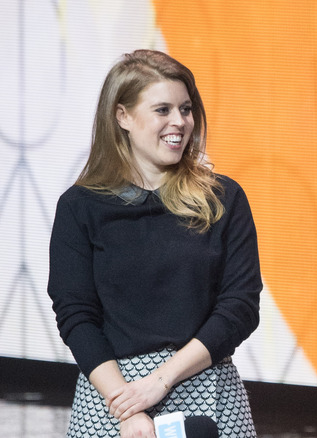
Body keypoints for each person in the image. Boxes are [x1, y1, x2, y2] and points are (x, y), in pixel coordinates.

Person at [48, 49, 262, 437]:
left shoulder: (223, 198)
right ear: (123, 115)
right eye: (163, 110)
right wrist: (127, 408)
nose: (179, 122)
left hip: (206, 389)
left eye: (186, 108)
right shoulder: (80, 207)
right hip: (112, 398)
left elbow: (240, 307)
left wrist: (161, 381)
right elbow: (76, 315)